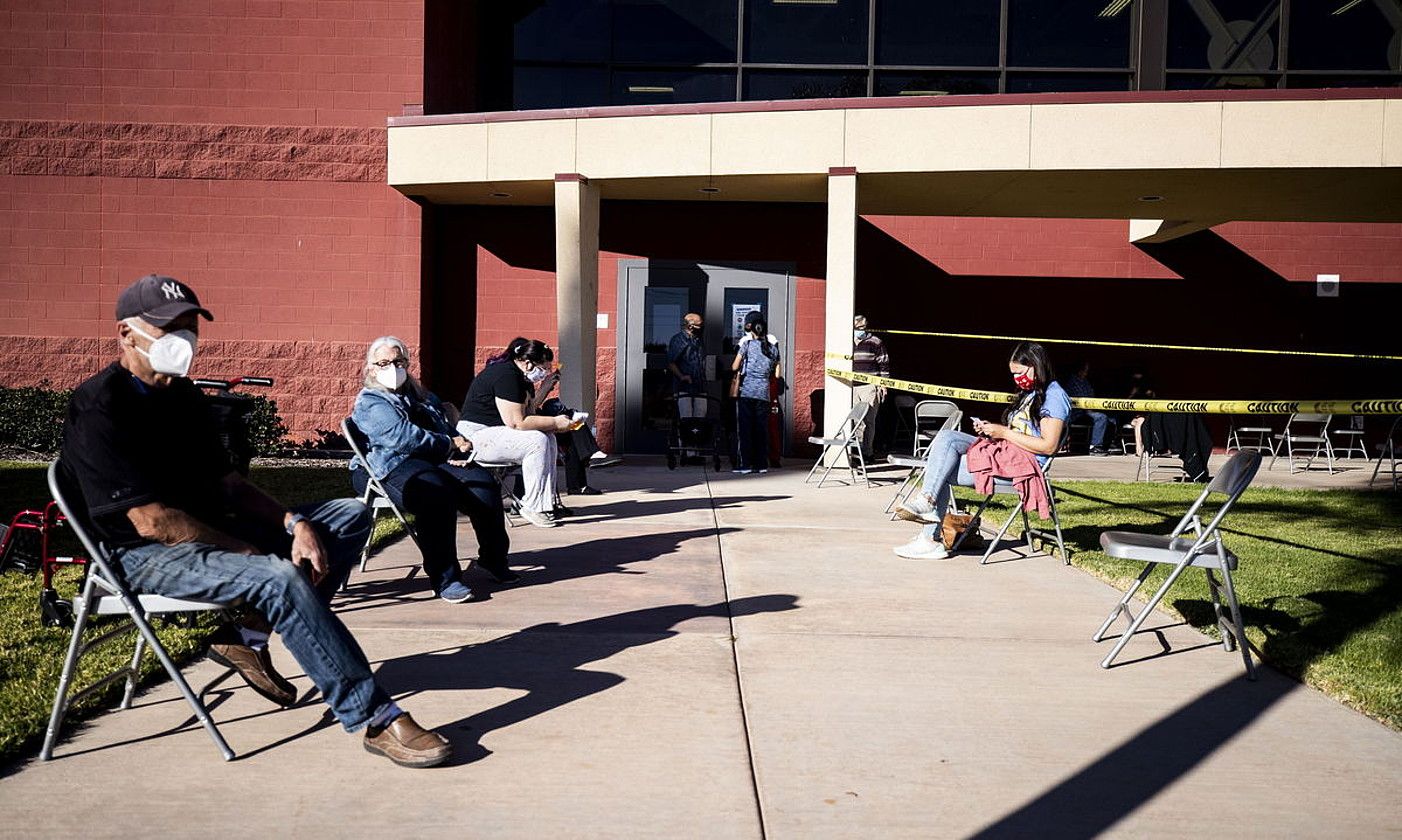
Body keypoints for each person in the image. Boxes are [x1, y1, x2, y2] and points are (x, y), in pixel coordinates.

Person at [60, 274, 450, 768]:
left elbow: (228, 485)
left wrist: (292, 523)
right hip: (140, 555)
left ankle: (245, 635)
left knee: (348, 517)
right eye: (168, 327)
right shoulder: (100, 407)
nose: (182, 339)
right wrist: (243, 550)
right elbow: (151, 522)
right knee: (279, 576)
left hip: (210, 531)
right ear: (126, 334)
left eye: (189, 327)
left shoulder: (182, 398)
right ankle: (375, 717)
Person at [350, 336, 515, 599]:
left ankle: (493, 559)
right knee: (435, 496)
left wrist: (461, 446)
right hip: (388, 465)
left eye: (398, 361)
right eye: (383, 363)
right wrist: (448, 443)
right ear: (370, 368)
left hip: (431, 458)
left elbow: (443, 427)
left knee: (482, 482)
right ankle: (446, 579)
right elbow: (400, 438)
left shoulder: (419, 394)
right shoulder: (371, 401)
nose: (392, 368)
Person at [893, 342, 1069, 560]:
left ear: (1036, 365)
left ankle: (930, 537)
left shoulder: (1054, 396)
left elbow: (1048, 446)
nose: (1017, 379)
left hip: (1024, 467)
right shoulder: (1029, 393)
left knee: (941, 469)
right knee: (947, 439)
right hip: (1006, 454)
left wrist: (1003, 432)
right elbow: (1016, 433)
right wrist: (991, 431)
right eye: (1013, 374)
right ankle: (927, 508)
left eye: (1020, 373)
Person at [458, 337, 573, 528]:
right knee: (537, 441)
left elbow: (529, 413)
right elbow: (517, 423)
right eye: (543, 368)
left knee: (549, 438)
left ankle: (544, 504)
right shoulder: (506, 375)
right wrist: (554, 421)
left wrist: (555, 423)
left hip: (495, 433)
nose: (544, 372)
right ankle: (531, 505)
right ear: (527, 363)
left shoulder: (522, 379)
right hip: (474, 437)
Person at [526, 346, 616, 496]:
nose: (544, 371)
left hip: (533, 417)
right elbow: (526, 411)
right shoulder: (514, 380)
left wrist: (545, 388)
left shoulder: (526, 382)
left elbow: (533, 406)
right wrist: (545, 388)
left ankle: (578, 483)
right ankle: (591, 458)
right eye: (543, 367)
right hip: (525, 424)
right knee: (572, 425)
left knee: (572, 425)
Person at [731, 311, 782, 475]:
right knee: (761, 430)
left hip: (747, 392)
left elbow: (734, 367)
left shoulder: (746, 345)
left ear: (751, 328)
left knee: (745, 429)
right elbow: (777, 374)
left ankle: (745, 465)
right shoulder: (773, 349)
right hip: (764, 393)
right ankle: (761, 464)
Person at [852, 314, 890, 459]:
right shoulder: (845, 341)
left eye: (861, 327)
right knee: (856, 421)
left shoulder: (875, 342)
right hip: (852, 387)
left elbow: (884, 363)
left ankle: (867, 453)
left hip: (869, 387)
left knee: (869, 421)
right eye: (856, 327)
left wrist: (883, 384)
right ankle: (857, 451)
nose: (859, 330)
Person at [1063, 360, 1113, 456]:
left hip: (1089, 411)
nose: (1087, 372)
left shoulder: (1085, 382)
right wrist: (1089, 409)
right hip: (1077, 413)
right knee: (1101, 417)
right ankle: (1094, 446)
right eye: (1085, 370)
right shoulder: (1072, 382)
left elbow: (1091, 395)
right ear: (1080, 370)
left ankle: (1106, 445)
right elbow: (1080, 400)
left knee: (1111, 418)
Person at [666, 312, 706, 394]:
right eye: (699, 324)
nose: (702, 327)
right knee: (685, 407)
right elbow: (671, 362)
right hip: (684, 388)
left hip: (700, 386)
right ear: (690, 326)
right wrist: (682, 376)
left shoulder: (698, 340)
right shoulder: (678, 340)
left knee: (702, 407)